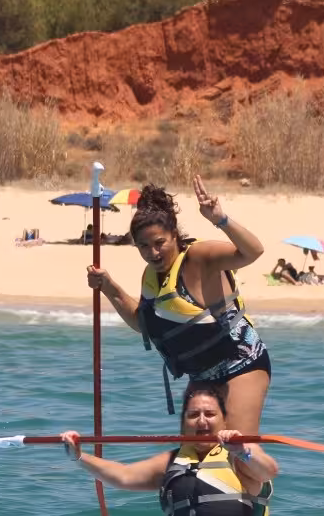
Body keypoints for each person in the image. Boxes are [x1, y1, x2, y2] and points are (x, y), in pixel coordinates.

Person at [57, 380, 276, 516]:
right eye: (193, 415)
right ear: (183, 423)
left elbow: (267, 471)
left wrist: (243, 451)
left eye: (210, 414)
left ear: (224, 420)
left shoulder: (241, 454)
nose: (202, 421)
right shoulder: (173, 460)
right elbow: (124, 476)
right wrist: (79, 457)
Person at [86, 177, 268, 430]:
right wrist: (108, 287)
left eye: (160, 243)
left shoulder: (199, 257)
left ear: (174, 235)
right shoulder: (151, 278)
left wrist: (220, 219)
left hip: (241, 364)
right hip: (201, 376)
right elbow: (143, 323)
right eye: (144, 246)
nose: (153, 253)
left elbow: (253, 251)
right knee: (190, 459)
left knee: (235, 449)